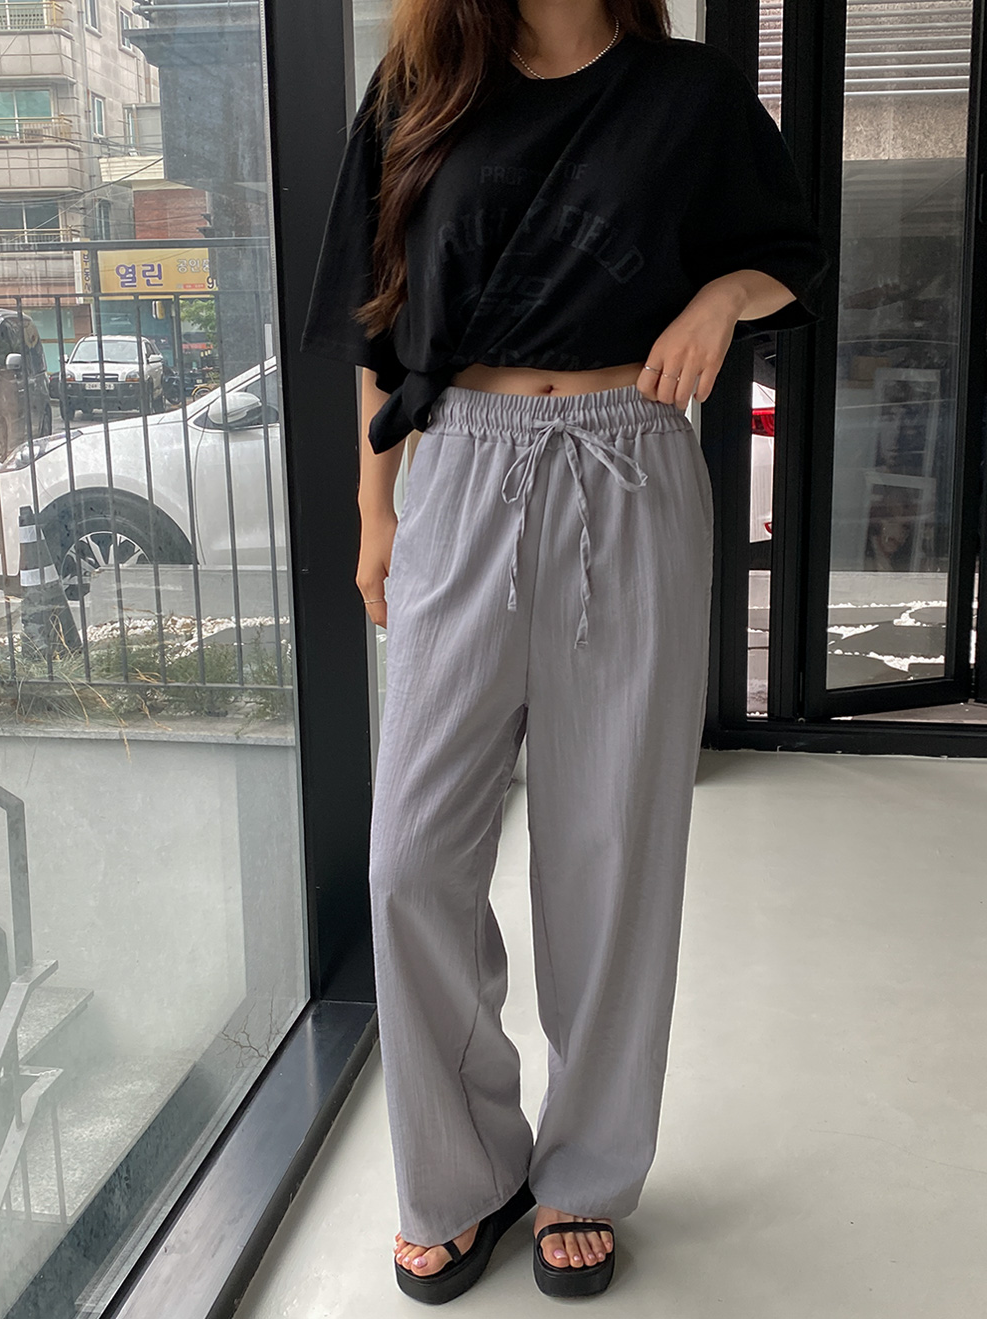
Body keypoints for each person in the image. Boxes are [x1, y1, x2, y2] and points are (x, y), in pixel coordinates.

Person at [301, 0, 831, 1302]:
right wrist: (376, 512)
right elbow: (377, 316)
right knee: (412, 857)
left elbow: (788, 253)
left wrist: (719, 300)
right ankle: (461, 1172)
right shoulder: (422, 85)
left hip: (628, 460)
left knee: (610, 851)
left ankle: (585, 1172)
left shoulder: (689, 94)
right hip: (459, 471)